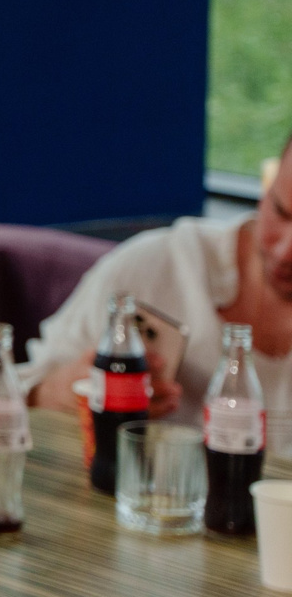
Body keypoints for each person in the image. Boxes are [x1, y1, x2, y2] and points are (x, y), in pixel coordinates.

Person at [27, 133, 292, 420]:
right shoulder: (159, 263)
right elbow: (20, 389)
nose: (285, 251)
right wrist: (63, 392)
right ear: (266, 189)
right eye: (280, 211)